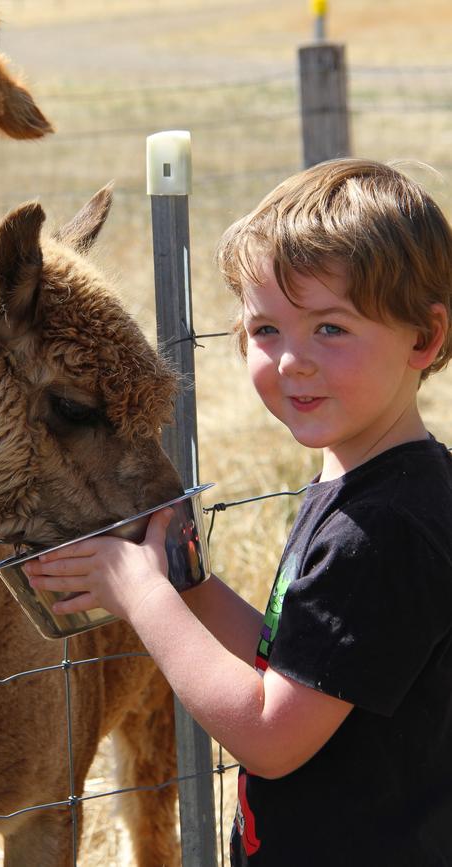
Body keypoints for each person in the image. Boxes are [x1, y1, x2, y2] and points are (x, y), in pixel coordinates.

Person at [23, 159, 452, 866]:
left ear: (423, 339)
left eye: (331, 328)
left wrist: (145, 596)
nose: (292, 362)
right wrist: (194, 588)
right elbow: (307, 667)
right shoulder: (379, 481)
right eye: (267, 329)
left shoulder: (380, 532)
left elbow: (270, 734)